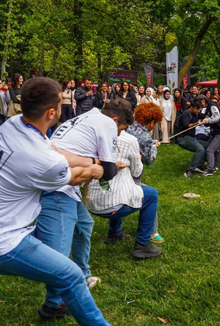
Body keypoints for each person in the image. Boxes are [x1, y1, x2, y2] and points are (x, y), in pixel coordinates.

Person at [0, 77, 110, 325]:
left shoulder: (14, 124)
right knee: (69, 275)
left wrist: (90, 160)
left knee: (45, 263)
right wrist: (94, 171)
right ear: (52, 112)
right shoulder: (42, 160)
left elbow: (54, 151)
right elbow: (72, 177)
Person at [37, 99, 132, 315]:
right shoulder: (107, 124)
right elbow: (106, 173)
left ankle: (82, 275)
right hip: (59, 187)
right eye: (121, 130)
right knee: (58, 249)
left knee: (84, 225)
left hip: (63, 183)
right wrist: (113, 165)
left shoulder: (87, 116)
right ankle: (54, 303)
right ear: (116, 120)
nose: (118, 135)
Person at [85, 128, 162, 259]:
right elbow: (137, 172)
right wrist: (138, 158)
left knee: (118, 186)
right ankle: (142, 245)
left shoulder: (90, 134)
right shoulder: (130, 140)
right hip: (112, 206)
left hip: (89, 202)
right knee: (152, 195)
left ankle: (114, 233)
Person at [126, 102, 164, 242]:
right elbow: (148, 160)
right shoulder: (146, 138)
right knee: (150, 196)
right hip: (131, 177)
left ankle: (114, 232)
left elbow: (139, 142)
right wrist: (154, 147)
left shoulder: (129, 127)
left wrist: (151, 143)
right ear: (152, 122)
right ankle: (152, 233)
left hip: (118, 173)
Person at [176, 99, 208, 178]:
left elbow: (204, 116)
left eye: (199, 109)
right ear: (192, 107)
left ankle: (199, 165)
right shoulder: (186, 113)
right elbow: (186, 125)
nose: (198, 111)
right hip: (183, 138)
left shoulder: (196, 113)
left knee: (207, 145)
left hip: (191, 138)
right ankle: (189, 171)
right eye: (197, 109)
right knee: (200, 149)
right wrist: (196, 123)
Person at [201, 97, 220, 176]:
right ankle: (208, 165)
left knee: (210, 150)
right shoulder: (208, 108)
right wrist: (204, 121)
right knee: (209, 148)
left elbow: (217, 117)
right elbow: (209, 120)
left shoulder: (212, 106)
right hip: (216, 133)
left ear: (203, 100)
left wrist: (206, 120)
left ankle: (210, 170)